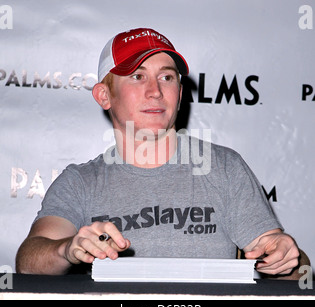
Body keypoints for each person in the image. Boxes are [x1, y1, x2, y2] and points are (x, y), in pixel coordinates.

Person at [16, 27, 306, 277]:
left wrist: (286, 259)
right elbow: (29, 261)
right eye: (138, 77)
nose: (155, 91)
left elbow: (291, 265)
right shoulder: (80, 182)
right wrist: (67, 249)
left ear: (180, 93)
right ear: (104, 95)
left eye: (167, 78)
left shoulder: (224, 167)